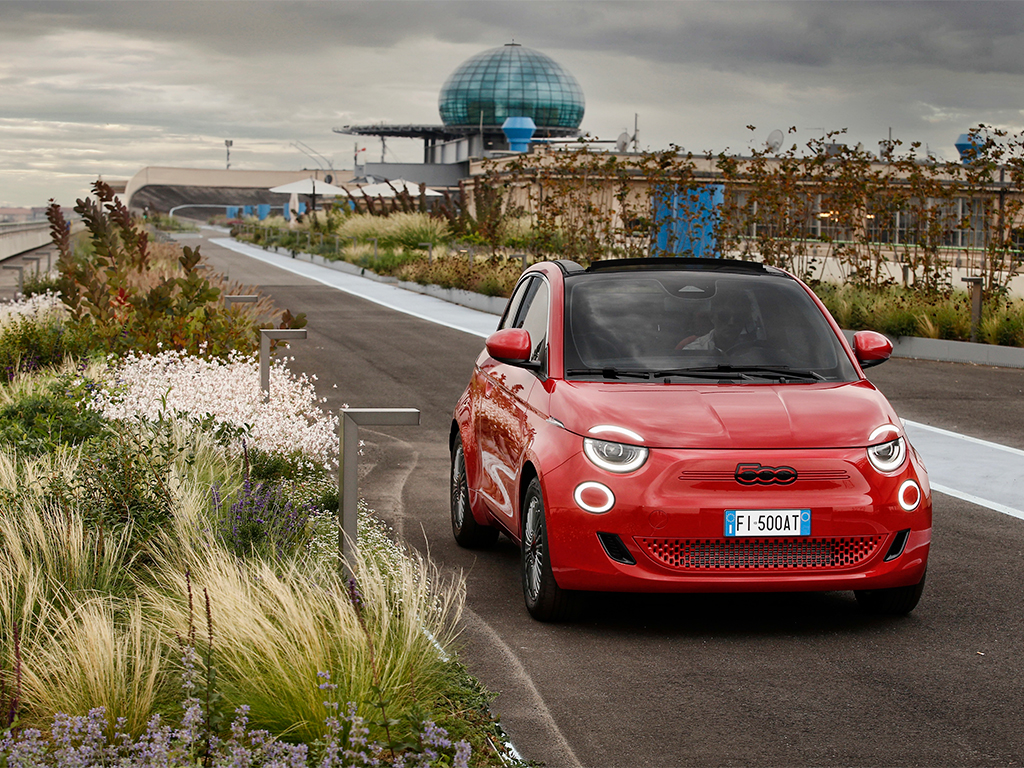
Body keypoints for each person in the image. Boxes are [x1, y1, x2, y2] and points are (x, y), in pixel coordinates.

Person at [680, 287, 758, 353]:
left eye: (739, 317)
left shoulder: (756, 352)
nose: (731, 322)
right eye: (724, 316)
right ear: (712, 317)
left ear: (746, 319)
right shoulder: (693, 352)